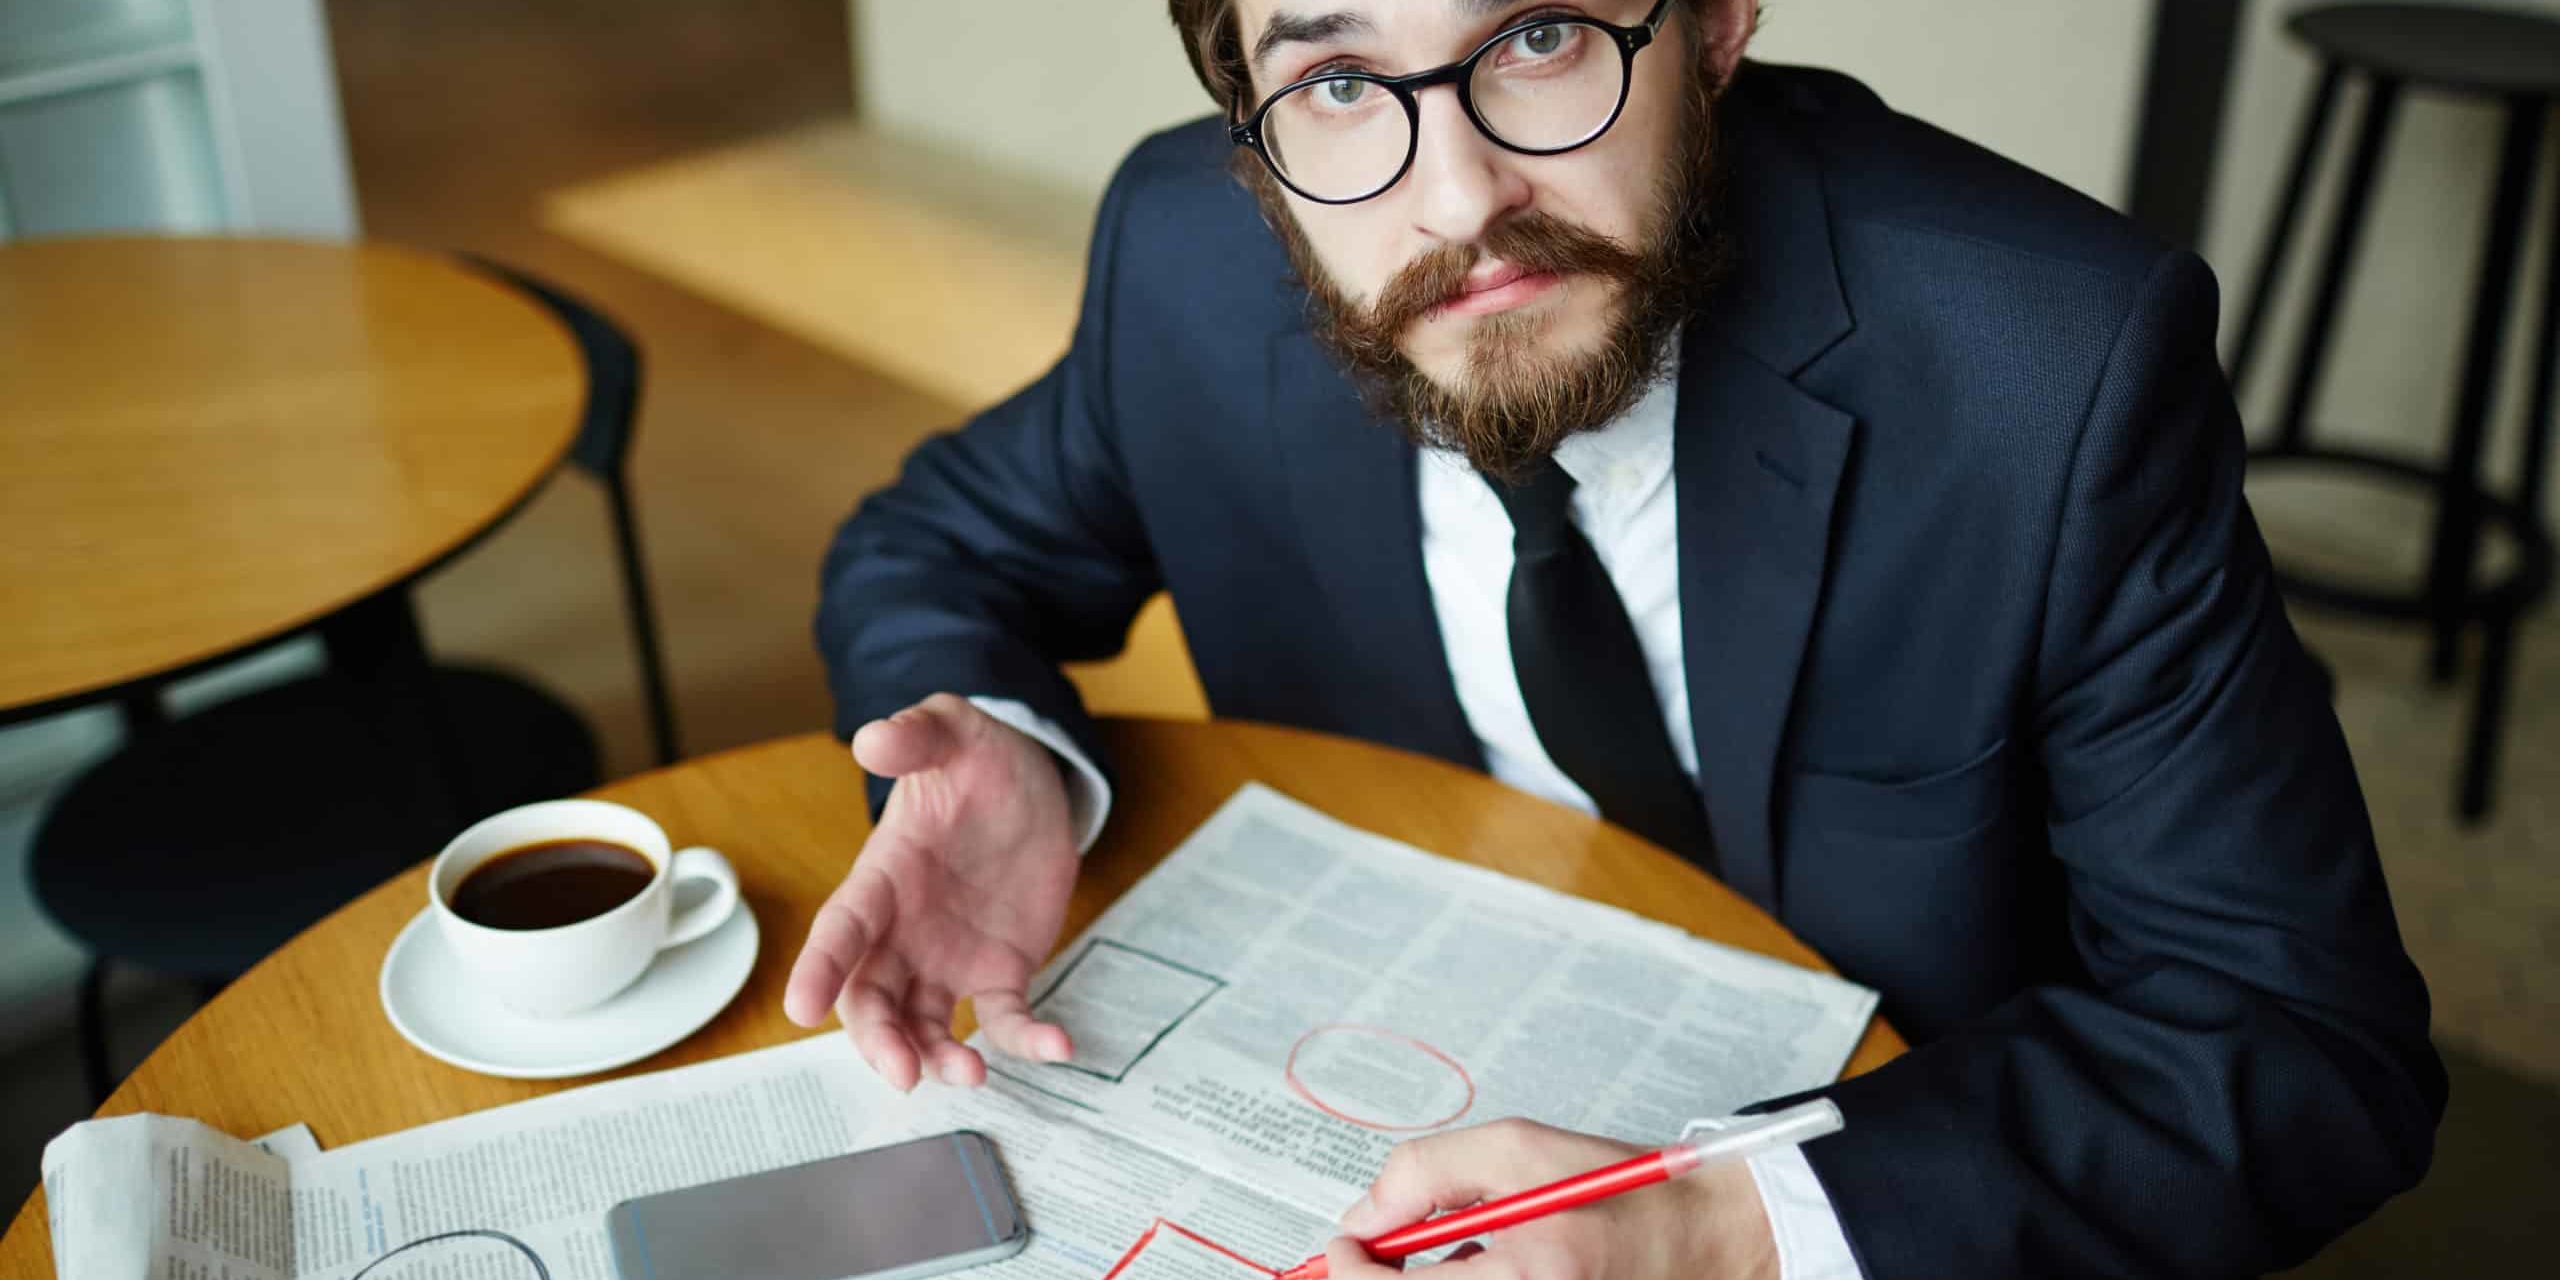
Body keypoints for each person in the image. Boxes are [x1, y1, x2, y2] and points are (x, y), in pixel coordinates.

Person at [787, 1, 2446, 1276]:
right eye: (1338, 82)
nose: (1460, 200)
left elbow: (2302, 1044)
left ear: (1716, 23)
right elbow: (932, 544)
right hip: (1369, 1097)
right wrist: (1008, 742)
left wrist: (1719, 1230)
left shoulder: (2048, 365)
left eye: (1540, 36)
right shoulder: (1191, 252)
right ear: (1248, 119)